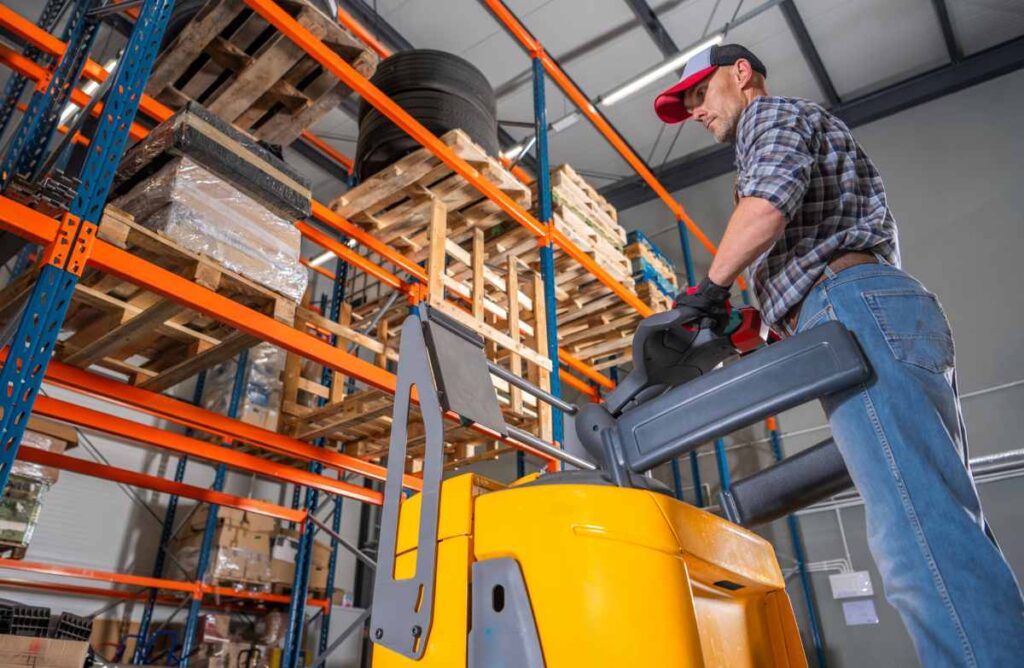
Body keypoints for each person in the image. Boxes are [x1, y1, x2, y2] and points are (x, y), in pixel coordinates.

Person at [652, 43, 1024, 666]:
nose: (694, 110)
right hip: (866, 307)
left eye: (699, 93)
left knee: (916, 537)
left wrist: (707, 290)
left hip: (853, 306)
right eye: (685, 104)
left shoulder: (768, 117)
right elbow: (802, 248)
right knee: (939, 522)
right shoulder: (796, 132)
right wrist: (749, 324)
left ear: (741, 74)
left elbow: (768, 204)